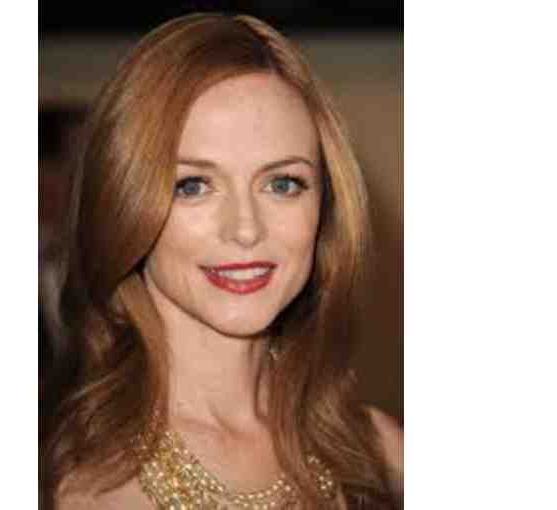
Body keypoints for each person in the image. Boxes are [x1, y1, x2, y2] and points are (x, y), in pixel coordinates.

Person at [40, 12, 403, 510]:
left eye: (282, 183)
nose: (246, 229)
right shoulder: (74, 485)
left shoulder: (384, 456)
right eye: (193, 185)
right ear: (124, 204)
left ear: (325, 207)